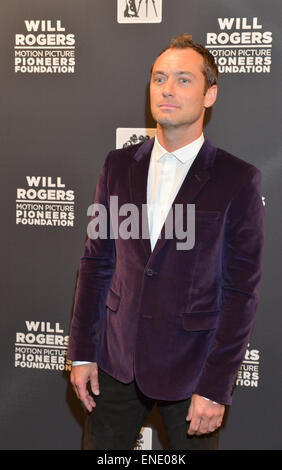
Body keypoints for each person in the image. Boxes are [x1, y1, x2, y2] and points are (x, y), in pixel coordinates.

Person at [67, 34, 264, 450]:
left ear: (210, 94)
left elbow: (240, 291)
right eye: (159, 78)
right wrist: (83, 352)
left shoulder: (237, 179)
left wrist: (216, 385)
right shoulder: (118, 165)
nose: (167, 89)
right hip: (116, 363)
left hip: (192, 371)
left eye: (183, 79)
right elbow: (97, 263)